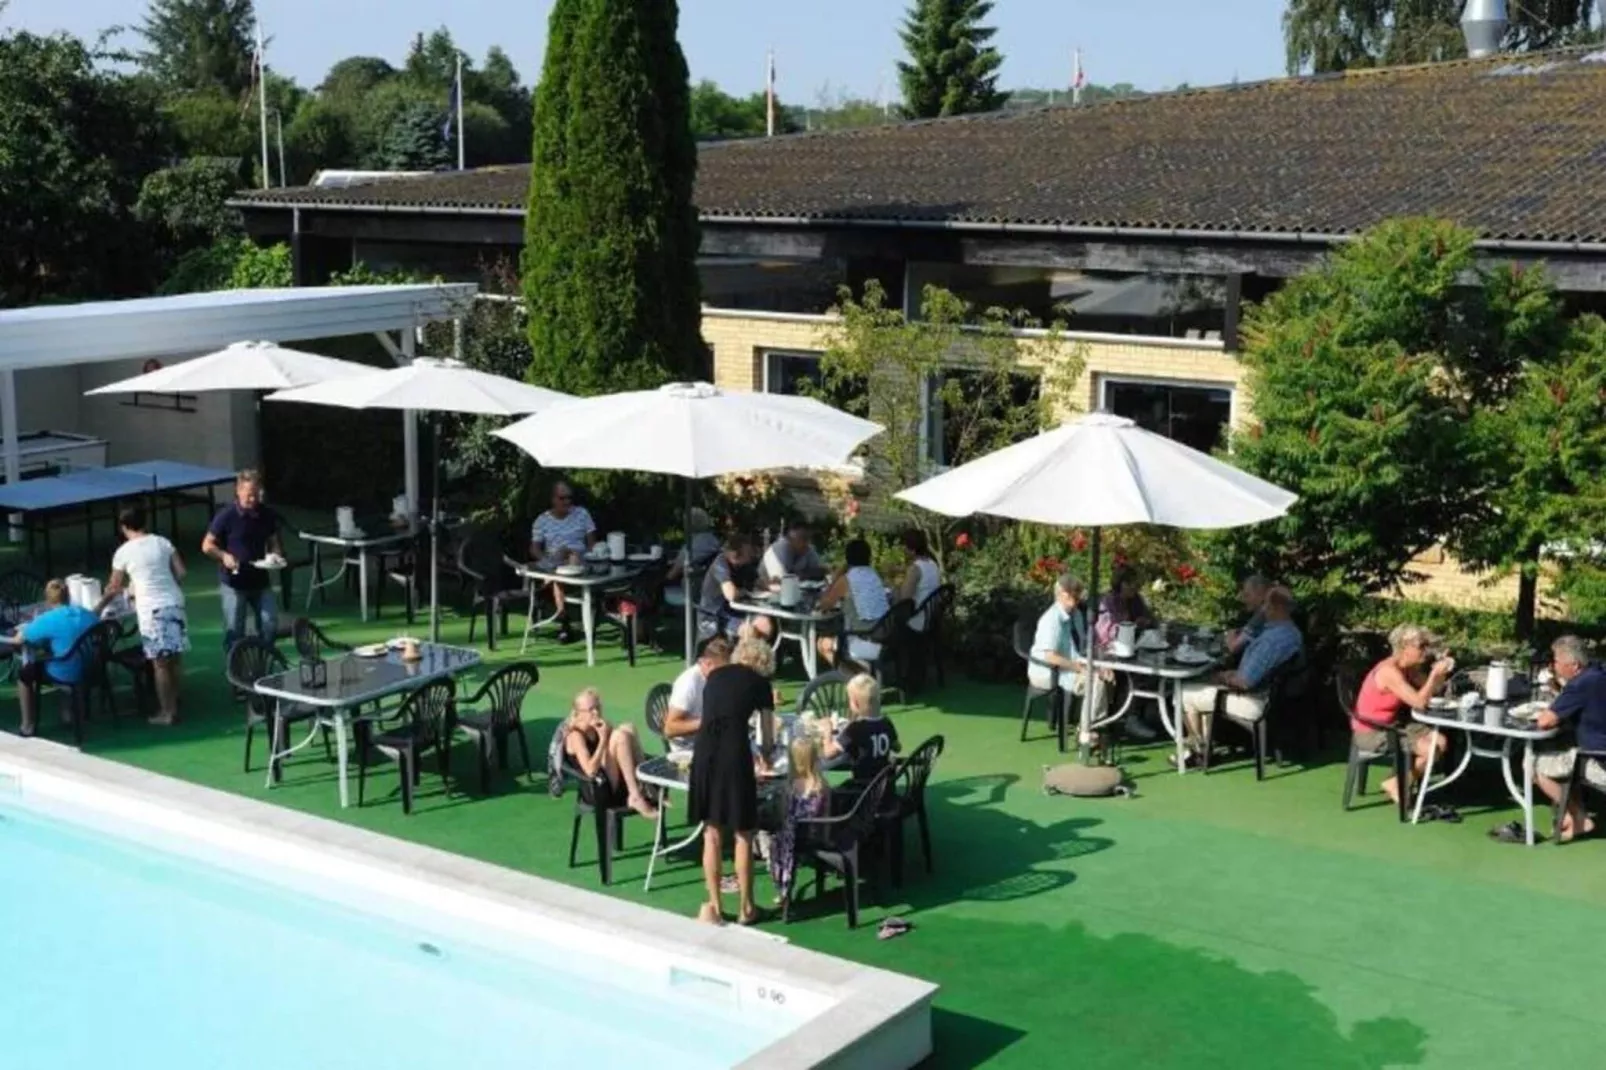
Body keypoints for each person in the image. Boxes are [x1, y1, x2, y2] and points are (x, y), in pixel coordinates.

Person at [688, 636, 776, 926]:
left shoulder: (714, 676)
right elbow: (766, 733)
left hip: (703, 753)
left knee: (711, 832)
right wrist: (765, 757)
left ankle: (714, 904)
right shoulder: (760, 684)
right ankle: (746, 908)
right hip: (733, 754)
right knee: (743, 832)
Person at [1178, 587, 1304, 767]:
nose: (1262, 609)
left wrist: (1223, 677)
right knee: (1204, 684)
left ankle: (1197, 752)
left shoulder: (1271, 642)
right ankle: (1204, 747)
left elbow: (1245, 682)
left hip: (1254, 701)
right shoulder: (1292, 633)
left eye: (1266, 605)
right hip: (1273, 698)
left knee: (1185, 692)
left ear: (1275, 608)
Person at [98, 506, 188, 725]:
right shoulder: (162, 542)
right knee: (174, 657)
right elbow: (182, 572)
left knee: (160, 663)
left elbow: (113, 586)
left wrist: (98, 607)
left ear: (124, 527)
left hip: (152, 608)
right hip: (174, 601)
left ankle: (167, 712)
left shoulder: (123, 552)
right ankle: (174, 702)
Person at [1350, 624, 1454, 809]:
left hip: (1395, 724)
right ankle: (1398, 783)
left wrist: (1440, 673)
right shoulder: (1389, 672)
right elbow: (1420, 702)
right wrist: (1433, 675)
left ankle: (1399, 782)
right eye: (1421, 646)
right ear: (1404, 647)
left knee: (1442, 742)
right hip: (1373, 731)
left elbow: (1434, 690)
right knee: (1431, 751)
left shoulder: (1409, 667)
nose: (1426, 650)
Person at [1524, 635, 1606, 844]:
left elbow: (1545, 721)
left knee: (1533, 765)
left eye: (1556, 661)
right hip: (1595, 751)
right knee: (1564, 758)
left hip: (1598, 759)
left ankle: (1580, 819)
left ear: (1574, 665)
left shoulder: (1580, 684)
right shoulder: (1598, 672)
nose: (1553, 666)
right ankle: (1572, 815)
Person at [4, 579, 99, 737]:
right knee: (64, 656)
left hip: (66, 671)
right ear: (68, 595)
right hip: (91, 667)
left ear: (48, 600)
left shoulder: (47, 620)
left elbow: (20, 639)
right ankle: (68, 714)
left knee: (25, 674)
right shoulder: (84, 613)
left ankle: (27, 725)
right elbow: (96, 621)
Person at [201, 469, 282, 649]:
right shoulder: (226, 515)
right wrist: (223, 556)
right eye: (249, 495)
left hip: (261, 581)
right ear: (238, 491)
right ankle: (235, 671)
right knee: (235, 631)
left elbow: (273, 541)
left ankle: (263, 662)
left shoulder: (266, 514)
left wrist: (275, 555)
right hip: (234, 583)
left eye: (256, 494)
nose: (253, 499)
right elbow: (207, 545)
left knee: (270, 624)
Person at [562, 687, 658, 820]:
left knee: (628, 728)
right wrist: (603, 740)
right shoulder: (575, 736)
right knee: (620, 736)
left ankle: (646, 784)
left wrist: (607, 733)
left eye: (597, 707)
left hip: (608, 779)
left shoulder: (597, 726)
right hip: (596, 789)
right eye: (590, 710)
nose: (595, 712)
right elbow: (590, 771)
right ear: (578, 713)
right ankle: (635, 795)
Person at [1028, 573, 1109, 726]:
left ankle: (1099, 724)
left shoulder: (1077, 614)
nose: (1075, 601)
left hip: (1069, 666)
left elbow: (1083, 646)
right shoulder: (1051, 619)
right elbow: (1050, 657)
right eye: (1070, 596)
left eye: (1077, 596)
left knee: (1109, 677)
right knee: (1096, 681)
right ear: (1060, 595)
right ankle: (1087, 732)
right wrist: (1080, 668)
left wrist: (1099, 665)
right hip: (1046, 671)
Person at [528, 481, 598, 644]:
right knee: (558, 575)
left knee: (561, 573)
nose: (567, 502)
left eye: (569, 498)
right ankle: (563, 619)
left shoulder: (582, 514)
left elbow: (593, 543)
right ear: (553, 499)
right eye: (562, 498)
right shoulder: (541, 521)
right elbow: (534, 549)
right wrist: (547, 560)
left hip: (581, 561)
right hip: (555, 563)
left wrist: (582, 555)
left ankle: (566, 618)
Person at [768, 734, 829, 912]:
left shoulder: (791, 786)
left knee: (775, 841)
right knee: (782, 838)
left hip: (801, 836)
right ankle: (785, 887)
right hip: (818, 831)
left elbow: (784, 813)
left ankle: (783, 888)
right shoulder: (821, 784)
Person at [815, 539, 891, 672]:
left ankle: (854, 678)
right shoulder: (874, 575)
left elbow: (824, 605)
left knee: (823, 643)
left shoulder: (847, 579)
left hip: (864, 639)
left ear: (847, 558)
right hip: (885, 637)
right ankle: (861, 671)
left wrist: (836, 577)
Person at [823, 673, 901, 787]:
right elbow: (897, 748)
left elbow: (828, 753)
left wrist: (827, 731)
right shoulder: (886, 723)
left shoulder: (855, 729)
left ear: (855, 703)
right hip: (884, 786)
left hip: (863, 790)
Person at [664, 637, 732, 754]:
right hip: (688, 748)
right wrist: (708, 722)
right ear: (707, 663)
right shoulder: (689, 683)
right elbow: (670, 729)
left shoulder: (719, 678)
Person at [697, 533, 756, 640]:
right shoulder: (720, 563)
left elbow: (759, 582)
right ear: (735, 554)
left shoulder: (742, 566)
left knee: (765, 624)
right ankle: (745, 656)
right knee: (749, 631)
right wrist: (743, 592)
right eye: (747, 553)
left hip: (734, 611)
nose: (751, 556)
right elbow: (731, 594)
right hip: (714, 615)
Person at [665, 507, 721, 603]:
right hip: (711, 588)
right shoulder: (714, 541)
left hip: (691, 590)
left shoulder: (690, 546)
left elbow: (672, 574)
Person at [1095, 567, 1156, 646]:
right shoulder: (1110, 601)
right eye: (1128, 583)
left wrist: (1146, 621)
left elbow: (1150, 618)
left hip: (1133, 644)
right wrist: (1133, 626)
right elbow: (1106, 633)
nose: (1133, 586)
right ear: (1119, 583)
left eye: (1135, 583)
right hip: (1110, 646)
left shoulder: (1136, 599)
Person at [898, 529, 942, 633]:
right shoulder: (932, 564)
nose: (902, 550)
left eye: (904, 547)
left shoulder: (915, 568)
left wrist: (893, 586)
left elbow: (904, 600)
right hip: (931, 618)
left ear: (912, 550)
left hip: (917, 621)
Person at [759, 522, 825, 585]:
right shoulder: (778, 550)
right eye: (803, 538)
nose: (807, 542)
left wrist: (802, 574)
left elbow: (820, 571)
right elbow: (779, 581)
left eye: (808, 538)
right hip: (763, 592)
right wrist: (803, 574)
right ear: (790, 538)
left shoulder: (807, 548)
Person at [1226, 574, 1272, 655]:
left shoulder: (1262, 615)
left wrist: (1230, 634)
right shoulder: (1272, 612)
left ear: (1260, 594)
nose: (1244, 600)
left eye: (1247, 595)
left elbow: (1234, 647)